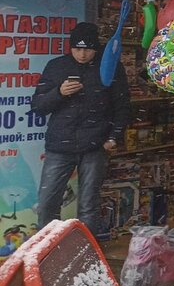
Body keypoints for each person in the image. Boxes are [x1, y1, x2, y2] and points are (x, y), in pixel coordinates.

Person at [32, 21, 131, 235]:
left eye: (88, 49)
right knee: (47, 203)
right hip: (59, 146)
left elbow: (122, 105)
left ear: (96, 48)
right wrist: (59, 93)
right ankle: (47, 248)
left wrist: (114, 137)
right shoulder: (56, 66)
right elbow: (38, 106)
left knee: (88, 204)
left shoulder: (110, 67)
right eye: (77, 48)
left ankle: (86, 250)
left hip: (95, 145)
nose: (83, 54)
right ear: (70, 47)